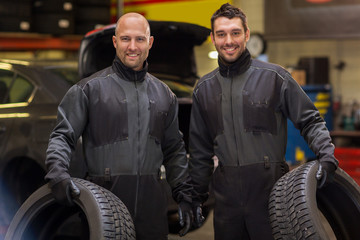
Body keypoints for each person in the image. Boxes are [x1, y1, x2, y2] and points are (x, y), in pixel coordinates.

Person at [188, 3, 338, 240]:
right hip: (226, 204)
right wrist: (194, 197)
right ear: (213, 38)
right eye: (221, 34)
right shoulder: (203, 89)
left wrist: (326, 155)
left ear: (246, 34)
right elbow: (199, 152)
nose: (229, 40)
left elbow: (310, 120)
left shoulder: (275, 77)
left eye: (235, 33)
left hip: (270, 197)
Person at [45, 12, 193, 240]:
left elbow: (174, 150)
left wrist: (184, 195)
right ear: (115, 42)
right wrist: (58, 173)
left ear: (150, 42)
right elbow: (63, 137)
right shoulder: (88, 90)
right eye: (125, 39)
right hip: (104, 206)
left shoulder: (165, 95)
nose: (132, 46)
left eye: (139, 39)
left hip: (152, 211)